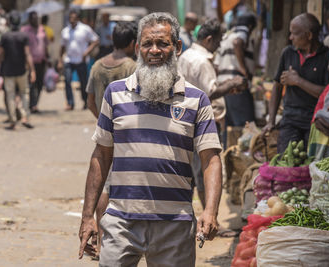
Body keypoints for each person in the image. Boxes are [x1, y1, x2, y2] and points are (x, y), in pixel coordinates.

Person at [78, 12, 222, 266]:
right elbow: (101, 156)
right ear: (137, 48)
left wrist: (210, 210)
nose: (154, 50)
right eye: (147, 44)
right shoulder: (115, 94)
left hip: (175, 226)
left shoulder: (196, 99)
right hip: (121, 221)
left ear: (177, 47)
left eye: (162, 43)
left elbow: (211, 159)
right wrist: (88, 215)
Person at [178, 18, 247, 237]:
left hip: (187, 121)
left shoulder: (187, 55)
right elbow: (210, 92)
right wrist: (232, 84)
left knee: (195, 172)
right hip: (202, 123)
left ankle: (199, 218)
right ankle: (209, 220)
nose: (219, 45)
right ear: (209, 39)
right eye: (217, 41)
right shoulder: (201, 60)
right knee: (206, 171)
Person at [85, 21, 137, 257]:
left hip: (105, 131)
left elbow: (90, 102)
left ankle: (102, 238)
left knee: (103, 181)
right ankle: (110, 241)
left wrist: (104, 121)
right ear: (132, 43)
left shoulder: (97, 66)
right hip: (127, 133)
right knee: (116, 185)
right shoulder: (132, 66)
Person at [262, 13, 329, 153]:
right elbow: (277, 86)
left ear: (309, 36)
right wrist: (271, 121)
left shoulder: (327, 56)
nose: (290, 37)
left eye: (294, 33)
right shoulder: (288, 53)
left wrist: (298, 81)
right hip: (290, 120)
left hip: (314, 122)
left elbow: (327, 93)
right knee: (285, 163)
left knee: (309, 167)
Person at [214, 12, 257, 147]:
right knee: (245, 125)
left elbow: (216, 65)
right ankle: (245, 159)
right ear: (250, 26)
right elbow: (237, 43)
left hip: (224, 87)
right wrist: (244, 70)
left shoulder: (226, 36)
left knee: (229, 126)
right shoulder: (243, 32)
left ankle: (230, 157)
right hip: (237, 86)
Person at [0, 10, 35, 130]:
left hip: (8, 72)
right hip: (22, 71)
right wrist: (32, 70)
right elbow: (28, 54)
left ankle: (13, 120)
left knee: (10, 96)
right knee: (24, 94)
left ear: (9, 22)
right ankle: (25, 117)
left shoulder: (5, 37)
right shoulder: (23, 36)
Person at [58, 9, 99, 110]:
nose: (72, 20)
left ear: (77, 19)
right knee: (67, 81)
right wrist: (60, 60)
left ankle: (85, 102)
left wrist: (87, 52)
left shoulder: (85, 29)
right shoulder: (65, 31)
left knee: (83, 82)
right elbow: (62, 46)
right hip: (69, 60)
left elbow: (95, 40)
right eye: (70, 18)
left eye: (74, 18)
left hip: (81, 60)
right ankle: (70, 103)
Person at [21, 11, 48, 114]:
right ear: (30, 19)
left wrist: (48, 57)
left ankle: (35, 103)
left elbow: (45, 45)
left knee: (40, 84)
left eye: (37, 18)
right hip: (29, 62)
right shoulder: (25, 31)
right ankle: (31, 105)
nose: (35, 20)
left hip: (41, 61)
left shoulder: (42, 30)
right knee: (31, 84)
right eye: (33, 19)